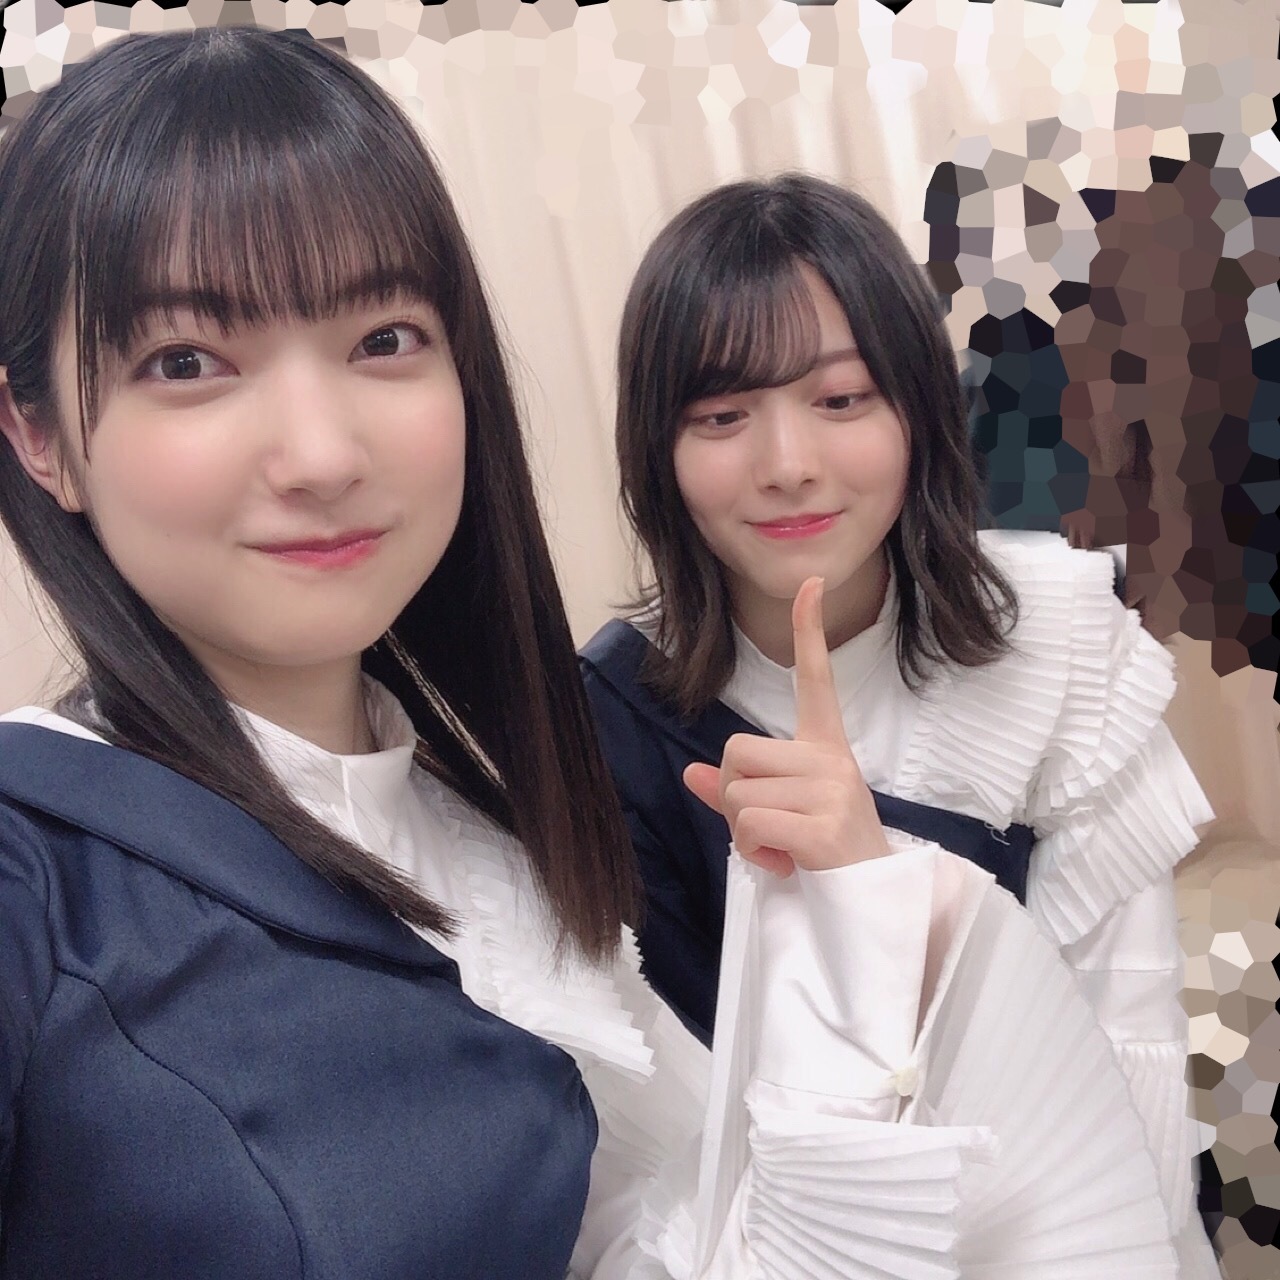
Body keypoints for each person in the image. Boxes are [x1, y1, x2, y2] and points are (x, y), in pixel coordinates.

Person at [0, 29, 1180, 1279]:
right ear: (39, 436)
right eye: (186, 362)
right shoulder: (36, 870)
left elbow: (702, 1235)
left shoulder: (498, 835)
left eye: (384, 338)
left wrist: (867, 914)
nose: (324, 452)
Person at [582, 173, 1220, 1276]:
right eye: (721, 415)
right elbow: (685, 1150)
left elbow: (1128, 1051)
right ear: (657, 451)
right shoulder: (610, 722)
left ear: (917, 409)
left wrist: (879, 885)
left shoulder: (1059, 644)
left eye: (840, 399)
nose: (788, 465)